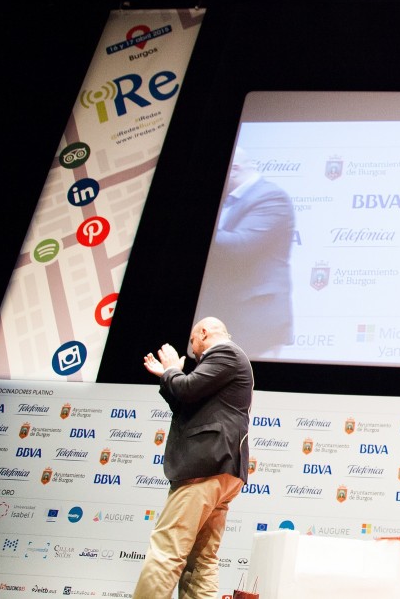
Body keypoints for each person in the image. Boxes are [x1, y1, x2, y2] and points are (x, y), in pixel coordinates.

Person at [133, 317, 254, 599]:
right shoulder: (229, 361)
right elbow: (186, 400)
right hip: (221, 469)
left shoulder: (225, 352)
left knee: (167, 550)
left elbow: (186, 389)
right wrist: (167, 376)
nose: (193, 352)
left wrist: (173, 369)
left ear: (203, 332)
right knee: (200, 560)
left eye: (192, 343)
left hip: (206, 466)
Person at [196, 148, 295, 359]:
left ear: (235, 169)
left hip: (253, 320)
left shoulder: (270, 197)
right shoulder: (229, 198)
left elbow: (240, 246)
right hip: (224, 316)